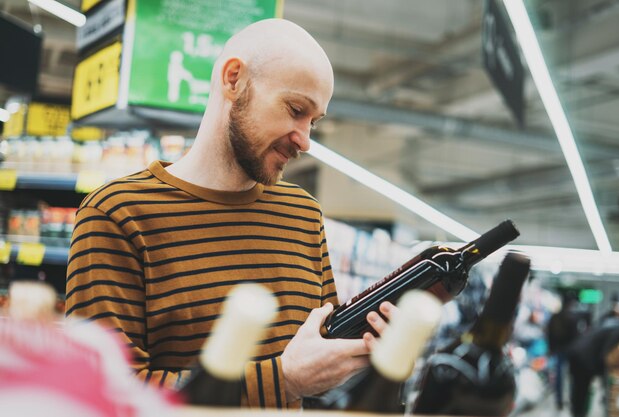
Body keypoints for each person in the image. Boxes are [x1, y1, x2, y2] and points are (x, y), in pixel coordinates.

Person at [65, 19, 395, 409]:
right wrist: (282, 379)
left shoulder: (303, 216)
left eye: (314, 122)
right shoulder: (117, 214)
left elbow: (316, 367)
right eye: (295, 110)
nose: (305, 140)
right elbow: (100, 394)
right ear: (234, 79)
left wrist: (367, 351)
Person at [567, 322, 619, 417]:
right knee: (581, 389)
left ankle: (578, 412)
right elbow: (605, 354)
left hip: (579, 353)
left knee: (580, 389)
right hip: (581, 357)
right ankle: (578, 413)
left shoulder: (614, 327)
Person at [546, 292, 592, 410]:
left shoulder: (555, 316)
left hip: (558, 350)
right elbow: (577, 336)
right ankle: (572, 400)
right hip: (571, 351)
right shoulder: (574, 317)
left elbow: (549, 334)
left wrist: (551, 349)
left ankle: (559, 401)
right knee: (572, 377)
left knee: (559, 376)